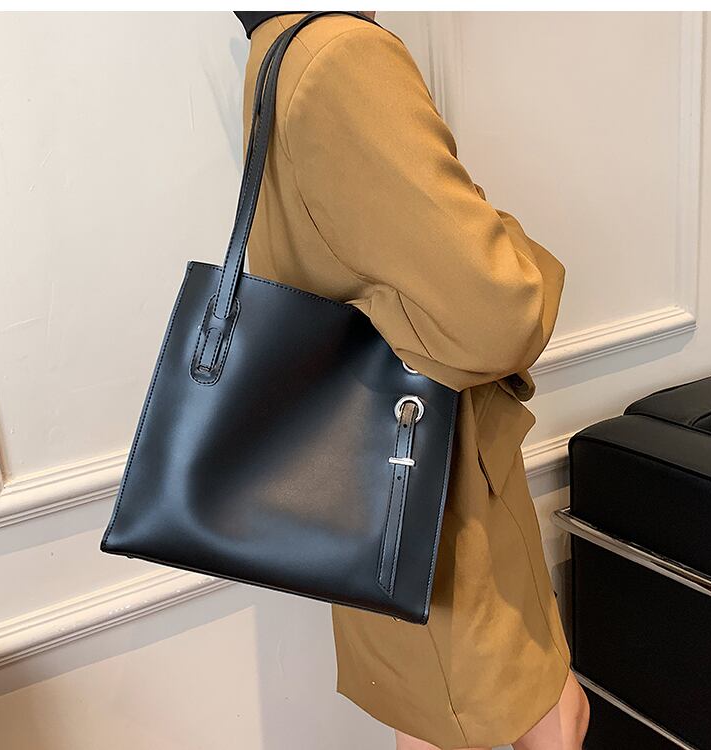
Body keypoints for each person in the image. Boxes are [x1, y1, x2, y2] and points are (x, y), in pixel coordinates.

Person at [234, 11, 590, 750]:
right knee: (551, 720)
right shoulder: (341, 56)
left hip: (370, 489)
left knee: (439, 728)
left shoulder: (276, 49)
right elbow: (501, 309)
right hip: (438, 496)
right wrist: (521, 249)